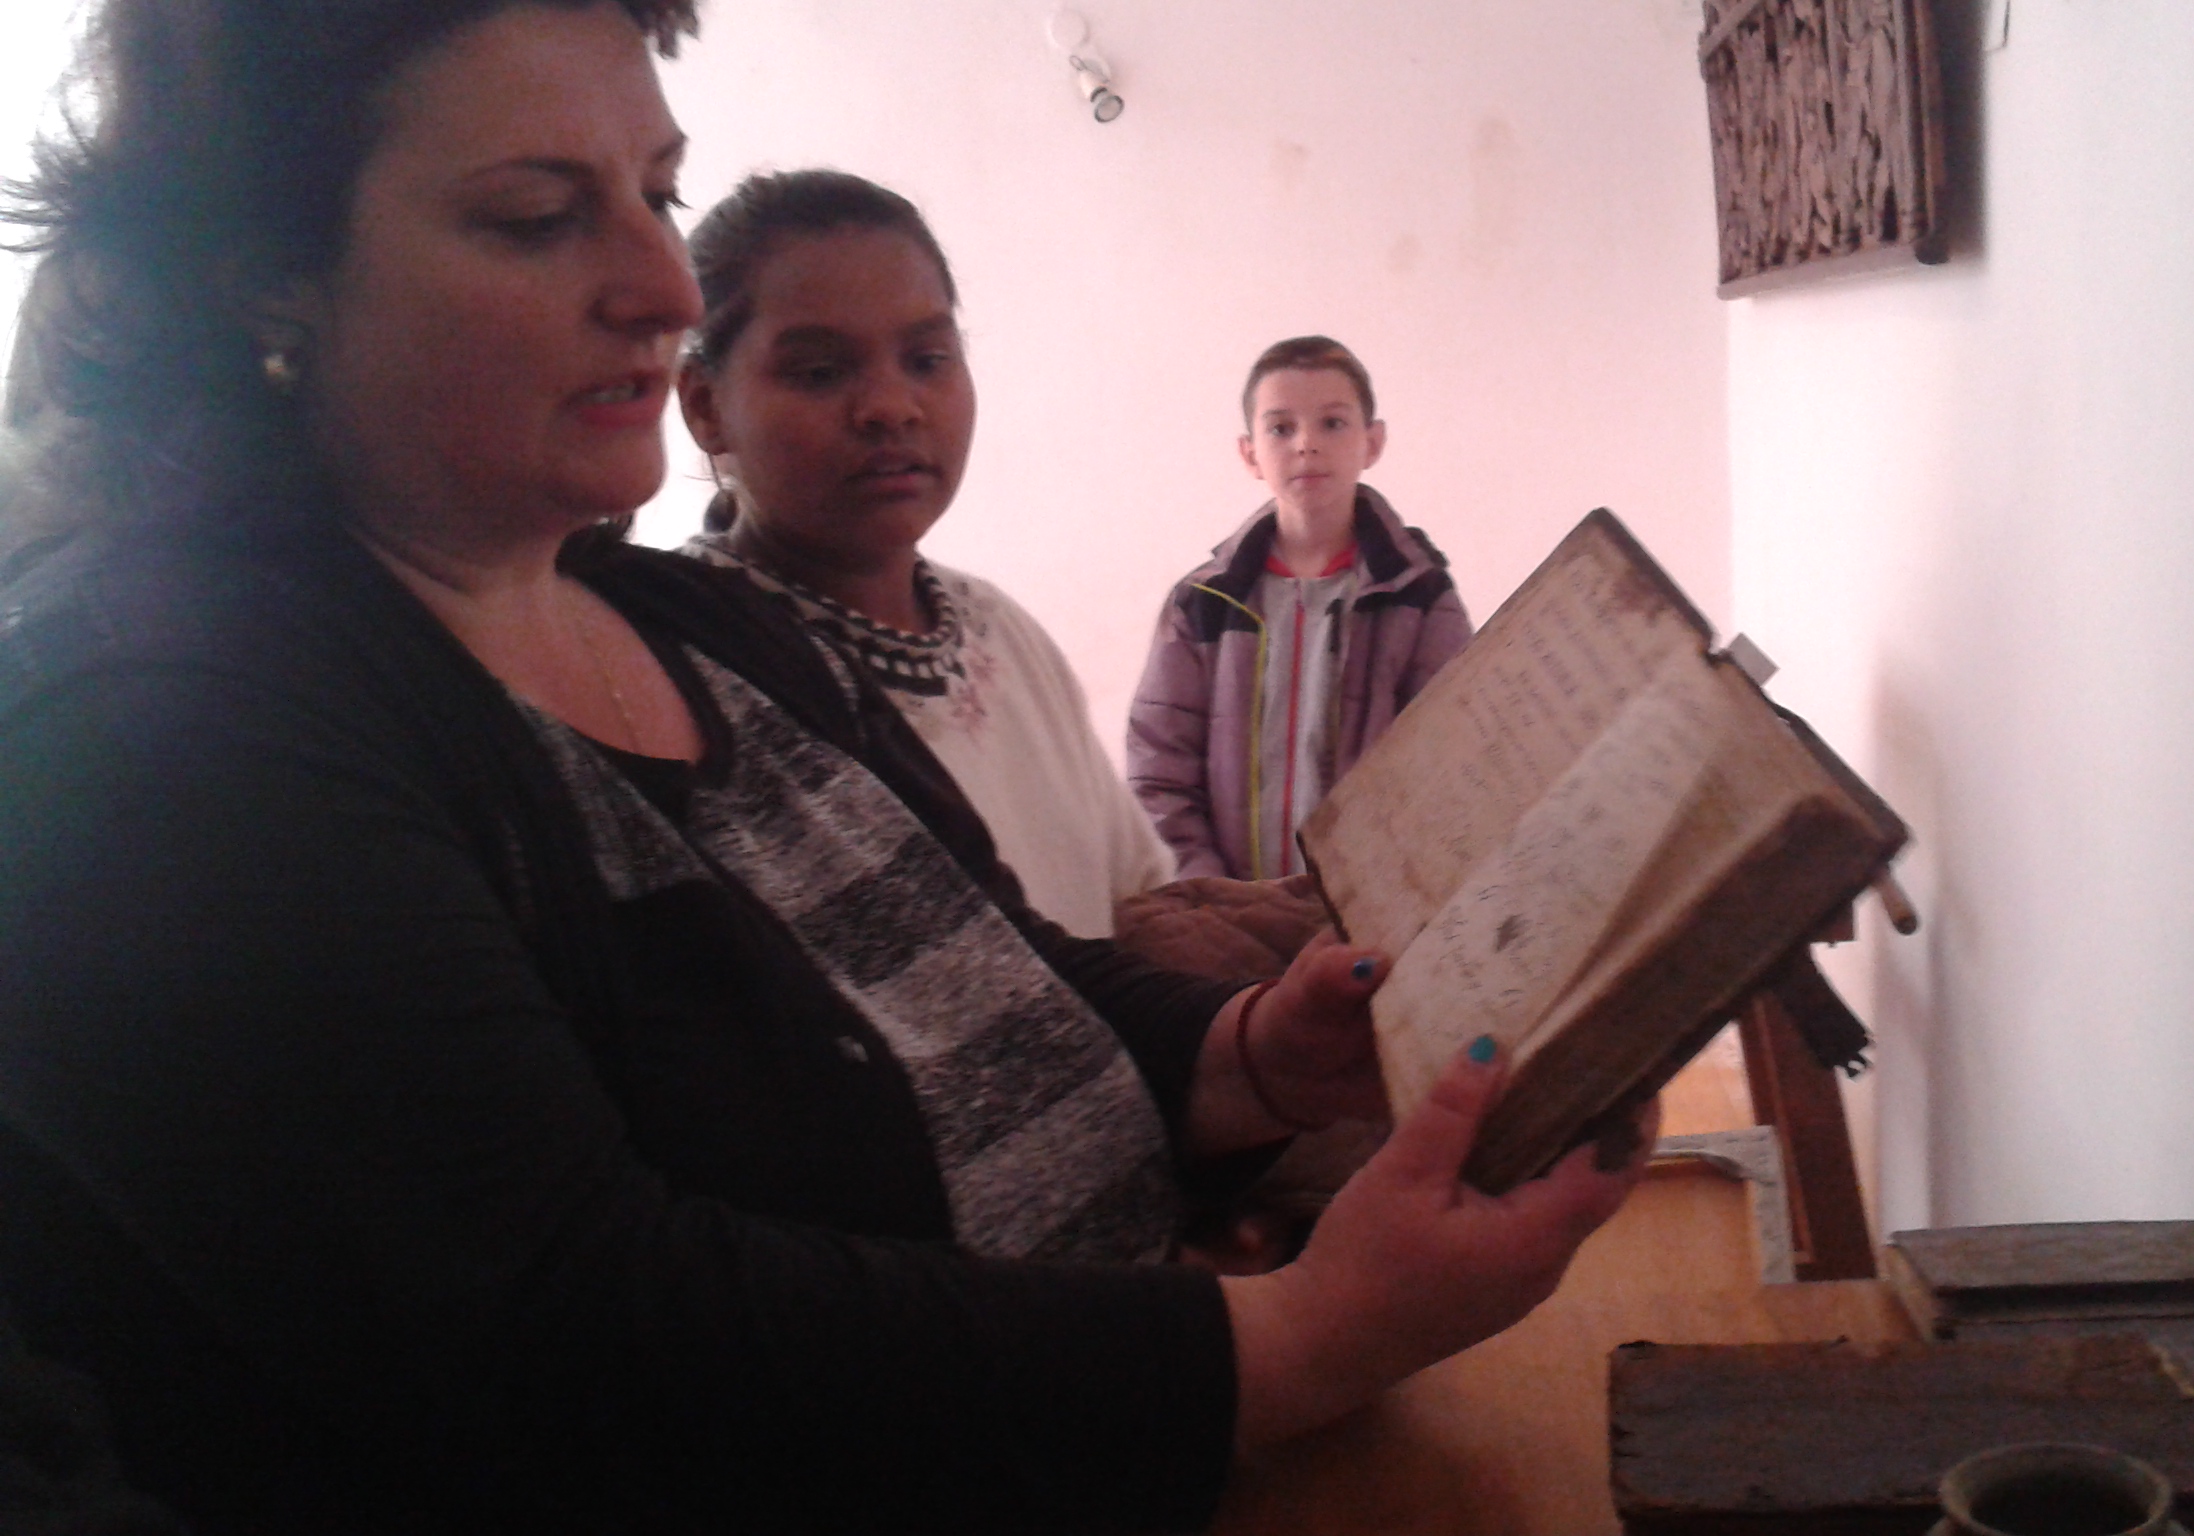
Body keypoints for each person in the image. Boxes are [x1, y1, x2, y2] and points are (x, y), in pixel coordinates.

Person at [0, 3, 1652, 1533]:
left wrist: (1247, 1062)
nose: (660, 282)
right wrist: (1292, 1340)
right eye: (537, 215)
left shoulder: (690, 620)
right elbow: (577, 1336)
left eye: (657, 192)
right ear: (265, 277)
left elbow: (1007, 969)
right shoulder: (165, 729)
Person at [674, 170, 1169, 940]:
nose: (891, 407)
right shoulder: (692, 676)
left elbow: (1131, 893)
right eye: (820, 372)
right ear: (706, 404)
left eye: (928, 359)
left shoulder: (999, 631)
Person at [1127, 335, 1472, 881]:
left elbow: (1452, 766)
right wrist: (1215, 897)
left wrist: (1376, 899)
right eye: (1281, 428)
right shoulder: (1202, 604)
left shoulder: (1421, 597)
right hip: (1229, 915)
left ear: (1372, 442)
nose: (1306, 444)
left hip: (1370, 911)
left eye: (1332, 423)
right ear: (1250, 454)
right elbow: (1159, 777)